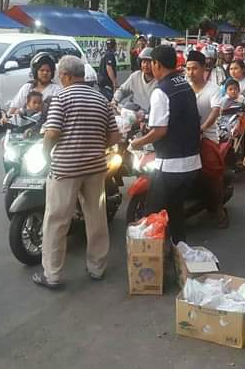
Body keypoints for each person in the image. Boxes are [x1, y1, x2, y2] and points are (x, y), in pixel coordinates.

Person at [32, 55, 120, 288]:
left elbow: (51, 133)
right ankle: (97, 268)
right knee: (96, 218)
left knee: (57, 221)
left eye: (60, 76)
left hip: (66, 169)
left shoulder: (60, 97)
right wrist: (95, 147)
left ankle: (52, 274)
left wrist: (45, 155)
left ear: (67, 76)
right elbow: (114, 136)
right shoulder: (101, 99)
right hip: (95, 168)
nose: (59, 80)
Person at [130, 46, 201, 243]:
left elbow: (160, 130)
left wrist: (138, 143)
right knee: (176, 212)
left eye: (151, 62)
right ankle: (180, 252)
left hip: (171, 165)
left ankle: (150, 262)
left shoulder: (161, 91)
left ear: (157, 64)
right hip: (192, 162)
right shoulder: (184, 84)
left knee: (154, 215)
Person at [185, 50, 228, 227]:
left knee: (213, 172)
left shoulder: (213, 89)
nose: (190, 72)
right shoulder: (183, 87)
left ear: (203, 68)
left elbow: (215, 111)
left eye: (194, 68)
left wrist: (201, 129)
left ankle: (218, 208)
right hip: (185, 136)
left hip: (207, 136)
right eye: (187, 68)